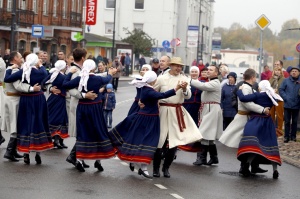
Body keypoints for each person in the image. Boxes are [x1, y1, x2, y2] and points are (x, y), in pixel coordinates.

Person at [108, 71, 182, 179]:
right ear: (153, 80)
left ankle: (138, 164)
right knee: (148, 142)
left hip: (150, 118)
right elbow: (163, 95)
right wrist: (177, 88)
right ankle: (143, 167)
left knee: (144, 141)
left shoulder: (146, 88)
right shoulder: (148, 90)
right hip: (148, 119)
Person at [152, 57, 202, 178]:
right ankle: (156, 169)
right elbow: (153, 93)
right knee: (160, 141)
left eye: (180, 66)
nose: (178, 68)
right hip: (163, 110)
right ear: (171, 65)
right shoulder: (161, 78)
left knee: (174, 141)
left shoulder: (184, 79)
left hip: (177, 110)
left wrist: (185, 89)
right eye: (176, 66)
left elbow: (188, 96)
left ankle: (166, 168)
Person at [63, 59, 116, 172]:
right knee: (98, 131)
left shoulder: (80, 78)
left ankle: (79, 160)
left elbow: (65, 84)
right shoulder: (97, 79)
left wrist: (70, 73)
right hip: (95, 108)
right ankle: (98, 160)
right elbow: (107, 78)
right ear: (93, 68)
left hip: (82, 107)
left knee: (83, 133)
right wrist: (111, 73)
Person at [4, 53, 54, 165]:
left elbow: (7, 79)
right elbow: (46, 75)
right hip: (38, 99)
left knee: (26, 124)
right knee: (38, 123)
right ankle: (38, 152)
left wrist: (9, 69)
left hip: (26, 99)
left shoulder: (23, 71)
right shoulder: (40, 71)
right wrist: (40, 65)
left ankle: (25, 153)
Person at [219, 68, 270, 175]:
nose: (255, 79)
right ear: (252, 77)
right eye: (255, 77)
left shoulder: (248, 87)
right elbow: (248, 104)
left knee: (252, 143)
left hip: (247, 117)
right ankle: (245, 167)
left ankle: (253, 166)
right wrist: (262, 109)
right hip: (243, 118)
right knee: (245, 143)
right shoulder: (246, 88)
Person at [236, 80, 283, 179]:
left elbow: (243, 98)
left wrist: (239, 90)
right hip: (268, 122)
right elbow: (277, 99)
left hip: (256, 121)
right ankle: (275, 171)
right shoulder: (272, 96)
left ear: (260, 87)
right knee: (270, 144)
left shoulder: (258, 95)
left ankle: (246, 165)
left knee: (254, 145)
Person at [2, 51, 41, 162]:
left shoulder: (11, 69)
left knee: (16, 125)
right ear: (14, 58)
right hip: (14, 100)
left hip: (13, 99)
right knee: (15, 126)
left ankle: (13, 150)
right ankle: (9, 151)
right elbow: (18, 85)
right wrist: (32, 88)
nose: (22, 59)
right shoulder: (14, 69)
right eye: (20, 57)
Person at [190, 65, 223, 166]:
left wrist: (189, 80)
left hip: (211, 108)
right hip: (208, 108)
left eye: (211, 70)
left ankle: (202, 158)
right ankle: (214, 157)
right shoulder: (211, 82)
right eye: (207, 69)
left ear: (216, 73)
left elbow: (202, 86)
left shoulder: (215, 83)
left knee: (204, 133)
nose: (208, 71)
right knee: (209, 135)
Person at [41, 60, 69, 149]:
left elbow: (44, 82)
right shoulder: (62, 76)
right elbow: (68, 84)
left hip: (54, 98)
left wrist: (50, 88)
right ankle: (54, 140)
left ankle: (57, 140)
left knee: (58, 118)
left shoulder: (54, 74)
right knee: (57, 118)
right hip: (58, 99)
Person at [279, 66, 300, 143]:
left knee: (294, 122)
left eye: (295, 71)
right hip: (287, 104)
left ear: (298, 73)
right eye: (292, 71)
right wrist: (286, 97)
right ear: (290, 72)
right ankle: (286, 136)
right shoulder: (286, 81)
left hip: (297, 104)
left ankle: (293, 136)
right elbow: (281, 89)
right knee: (287, 121)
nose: (294, 72)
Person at [269, 66, 285, 134]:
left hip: (280, 99)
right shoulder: (271, 79)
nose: (277, 71)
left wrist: (277, 91)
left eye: (279, 70)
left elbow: (284, 89)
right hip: (272, 98)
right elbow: (268, 87)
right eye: (276, 70)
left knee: (279, 115)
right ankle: (271, 129)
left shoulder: (284, 79)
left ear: (281, 71)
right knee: (271, 114)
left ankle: (279, 130)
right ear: (274, 71)